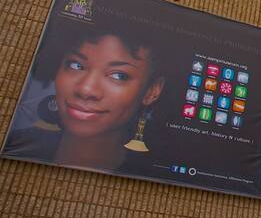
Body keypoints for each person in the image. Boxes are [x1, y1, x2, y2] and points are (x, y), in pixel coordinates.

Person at [2, 24, 166, 173]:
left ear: (152, 91)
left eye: (119, 75)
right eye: (76, 65)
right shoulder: (14, 142)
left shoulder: (155, 171)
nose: (86, 89)